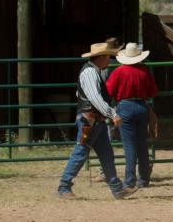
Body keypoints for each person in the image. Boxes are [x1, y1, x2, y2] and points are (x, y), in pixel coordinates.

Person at [57, 40, 134, 200]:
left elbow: (84, 96)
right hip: (90, 122)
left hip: (94, 122)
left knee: (105, 154)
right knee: (81, 152)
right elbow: (94, 98)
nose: (109, 61)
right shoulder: (90, 73)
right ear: (101, 57)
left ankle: (117, 188)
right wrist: (112, 113)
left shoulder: (92, 71)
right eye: (108, 57)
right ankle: (64, 186)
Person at [106, 42, 159, 192]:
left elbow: (109, 91)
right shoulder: (144, 71)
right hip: (142, 106)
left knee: (129, 145)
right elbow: (153, 91)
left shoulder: (118, 71)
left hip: (125, 106)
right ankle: (144, 179)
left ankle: (130, 180)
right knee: (142, 144)